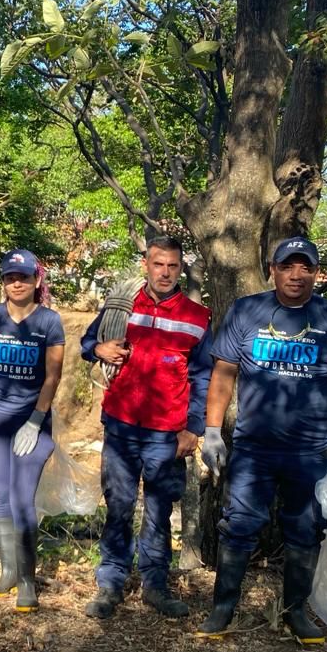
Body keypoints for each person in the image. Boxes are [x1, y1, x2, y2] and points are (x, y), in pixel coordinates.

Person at [200, 236, 327, 644]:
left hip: (312, 450)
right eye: (287, 266)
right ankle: (222, 608)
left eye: (305, 267)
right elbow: (224, 374)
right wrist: (211, 430)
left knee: (307, 528)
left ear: (316, 272)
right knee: (239, 525)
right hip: (255, 447)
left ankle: (296, 613)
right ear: (272, 269)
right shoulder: (247, 311)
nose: (297, 275)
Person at [80, 236, 212, 620]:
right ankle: (111, 582)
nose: (166, 273)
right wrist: (99, 349)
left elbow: (203, 377)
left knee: (159, 508)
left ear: (180, 269)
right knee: (119, 504)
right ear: (146, 265)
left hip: (167, 431)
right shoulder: (121, 305)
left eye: (173, 266)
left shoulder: (197, 317)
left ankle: (156, 584)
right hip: (121, 425)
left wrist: (194, 429)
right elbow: (89, 341)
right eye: (159, 265)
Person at [0, 249, 65, 613]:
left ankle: (28, 580)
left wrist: (35, 419)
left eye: (24, 277)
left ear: (36, 281)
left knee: (21, 497)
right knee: (0, 493)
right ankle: (10, 571)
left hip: (33, 419)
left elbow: (53, 375)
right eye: (11, 277)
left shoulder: (49, 321)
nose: (17, 283)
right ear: (3, 281)